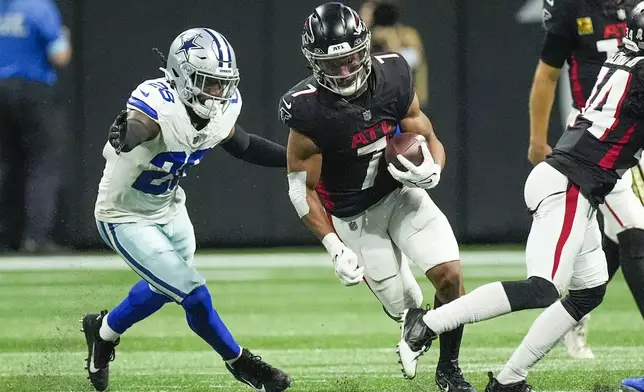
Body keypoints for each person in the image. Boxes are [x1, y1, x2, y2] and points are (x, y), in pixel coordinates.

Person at [398, 3, 644, 390]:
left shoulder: (622, 57)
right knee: (543, 288)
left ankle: (510, 380)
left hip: (573, 181)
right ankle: (426, 323)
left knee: (589, 290)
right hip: (570, 185)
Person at [82, 28, 291, 392]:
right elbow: (140, 125)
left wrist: (294, 159)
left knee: (165, 288)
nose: (217, 93)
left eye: (222, 84)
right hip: (124, 214)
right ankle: (242, 363)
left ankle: (102, 331)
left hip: (170, 207)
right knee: (192, 292)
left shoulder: (220, 109)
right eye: (208, 83)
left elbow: (241, 144)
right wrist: (126, 133)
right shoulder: (158, 102)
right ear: (181, 76)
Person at [280, 3, 474, 391]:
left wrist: (433, 168)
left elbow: (429, 137)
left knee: (450, 277)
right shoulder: (306, 109)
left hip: (399, 194)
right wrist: (335, 247)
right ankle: (412, 324)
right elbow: (300, 190)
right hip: (353, 216)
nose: (346, 71)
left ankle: (449, 370)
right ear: (313, 64)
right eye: (333, 65)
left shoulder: (394, 74)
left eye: (352, 59)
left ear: (365, 48)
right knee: (408, 309)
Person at [528, 0, 644, 359]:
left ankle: (575, 310)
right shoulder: (572, 8)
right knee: (635, 230)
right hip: (598, 133)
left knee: (615, 239)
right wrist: (537, 138)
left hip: (635, 131)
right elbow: (547, 74)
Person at [0, 0, 72, 252]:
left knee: (6, 164)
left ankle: (5, 237)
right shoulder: (38, 7)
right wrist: (64, 36)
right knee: (44, 163)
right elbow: (59, 55)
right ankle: (35, 238)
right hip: (34, 90)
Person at [359, 1, 429, 108]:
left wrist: (390, 40)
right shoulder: (366, 40)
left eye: (369, 13)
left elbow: (411, 61)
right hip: (375, 104)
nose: (364, 17)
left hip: (407, 103)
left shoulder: (406, 35)